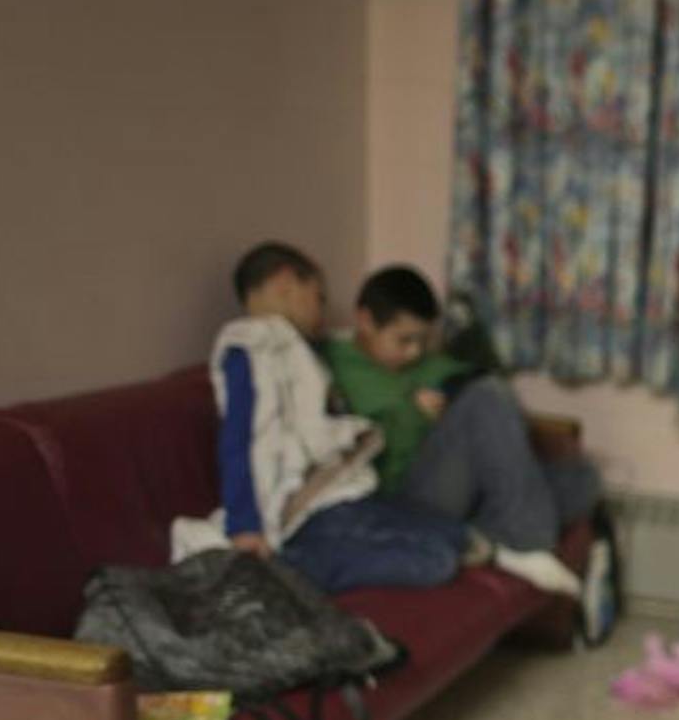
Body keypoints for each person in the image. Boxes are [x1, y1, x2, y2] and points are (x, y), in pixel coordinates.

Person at [172, 243, 470, 595]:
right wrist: (244, 527)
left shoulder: (300, 351)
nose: (323, 312)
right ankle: (291, 570)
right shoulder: (250, 346)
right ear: (285, 283)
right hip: (309, 514)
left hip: (338, 494)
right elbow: (240, 439)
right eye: (319, 298)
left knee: (457, 536)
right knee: (437, 561)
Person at [324, 264, 607, 611]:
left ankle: (487, 537)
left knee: (583, 478)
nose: (414, 352)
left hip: (462, 487)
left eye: (422, 340)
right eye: (403, 340)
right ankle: (525, 542)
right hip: (402, 498)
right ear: (365, 321)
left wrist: (451, 407)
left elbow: (477, 389)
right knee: (488, 395)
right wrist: (415, 414)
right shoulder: (333, 363)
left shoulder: (427, 363)